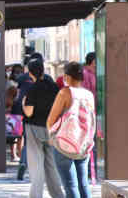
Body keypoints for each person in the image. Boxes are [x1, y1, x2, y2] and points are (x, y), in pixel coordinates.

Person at [47, 62, 95, 198]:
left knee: (70, 186)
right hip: (83, 144)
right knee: (83, 184)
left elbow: (51, 119)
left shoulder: (65, 92)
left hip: (64, 144)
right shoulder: (88, 95)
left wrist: (51, 137)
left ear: (67, 77)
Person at [22, 59, 64, 198]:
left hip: (34, 128)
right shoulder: (53, 87)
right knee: (51, 165)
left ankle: (36, 195)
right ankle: (58, 194)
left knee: (36, 164)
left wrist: (23, 104)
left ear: (31, 73)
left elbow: (29, 112)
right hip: (52, 129)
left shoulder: (33, 89)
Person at [82, 52, 98, 183]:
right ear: (93, 61)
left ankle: (91, 170)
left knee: (93, 142)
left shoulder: (94, 74)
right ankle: (89, 171)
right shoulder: (86, 74)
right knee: (89, 142)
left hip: (95, 112)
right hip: (88, 113)